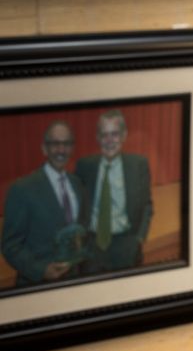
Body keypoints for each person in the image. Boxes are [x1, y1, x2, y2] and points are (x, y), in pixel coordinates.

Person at [1, 121, 89, 286]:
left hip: (74, 282)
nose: (61, 150)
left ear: (72, 148)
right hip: (36, 285)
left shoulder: (78, 184)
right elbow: (10, 245)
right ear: (44, 148)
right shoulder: (22, 189)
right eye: (55, 144)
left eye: (66, 144)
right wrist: (41, 270)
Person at [75, 109, 153, 273]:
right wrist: (80, 240)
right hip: (92, 246)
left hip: (126, 245)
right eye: (104, 135)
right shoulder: (84, 166)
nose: (109, 140)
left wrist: (139, 238)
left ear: (124, 135)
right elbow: (76, 204)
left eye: (114, 134)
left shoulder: (138, 165)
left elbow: (147, 205)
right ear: (97, 138)